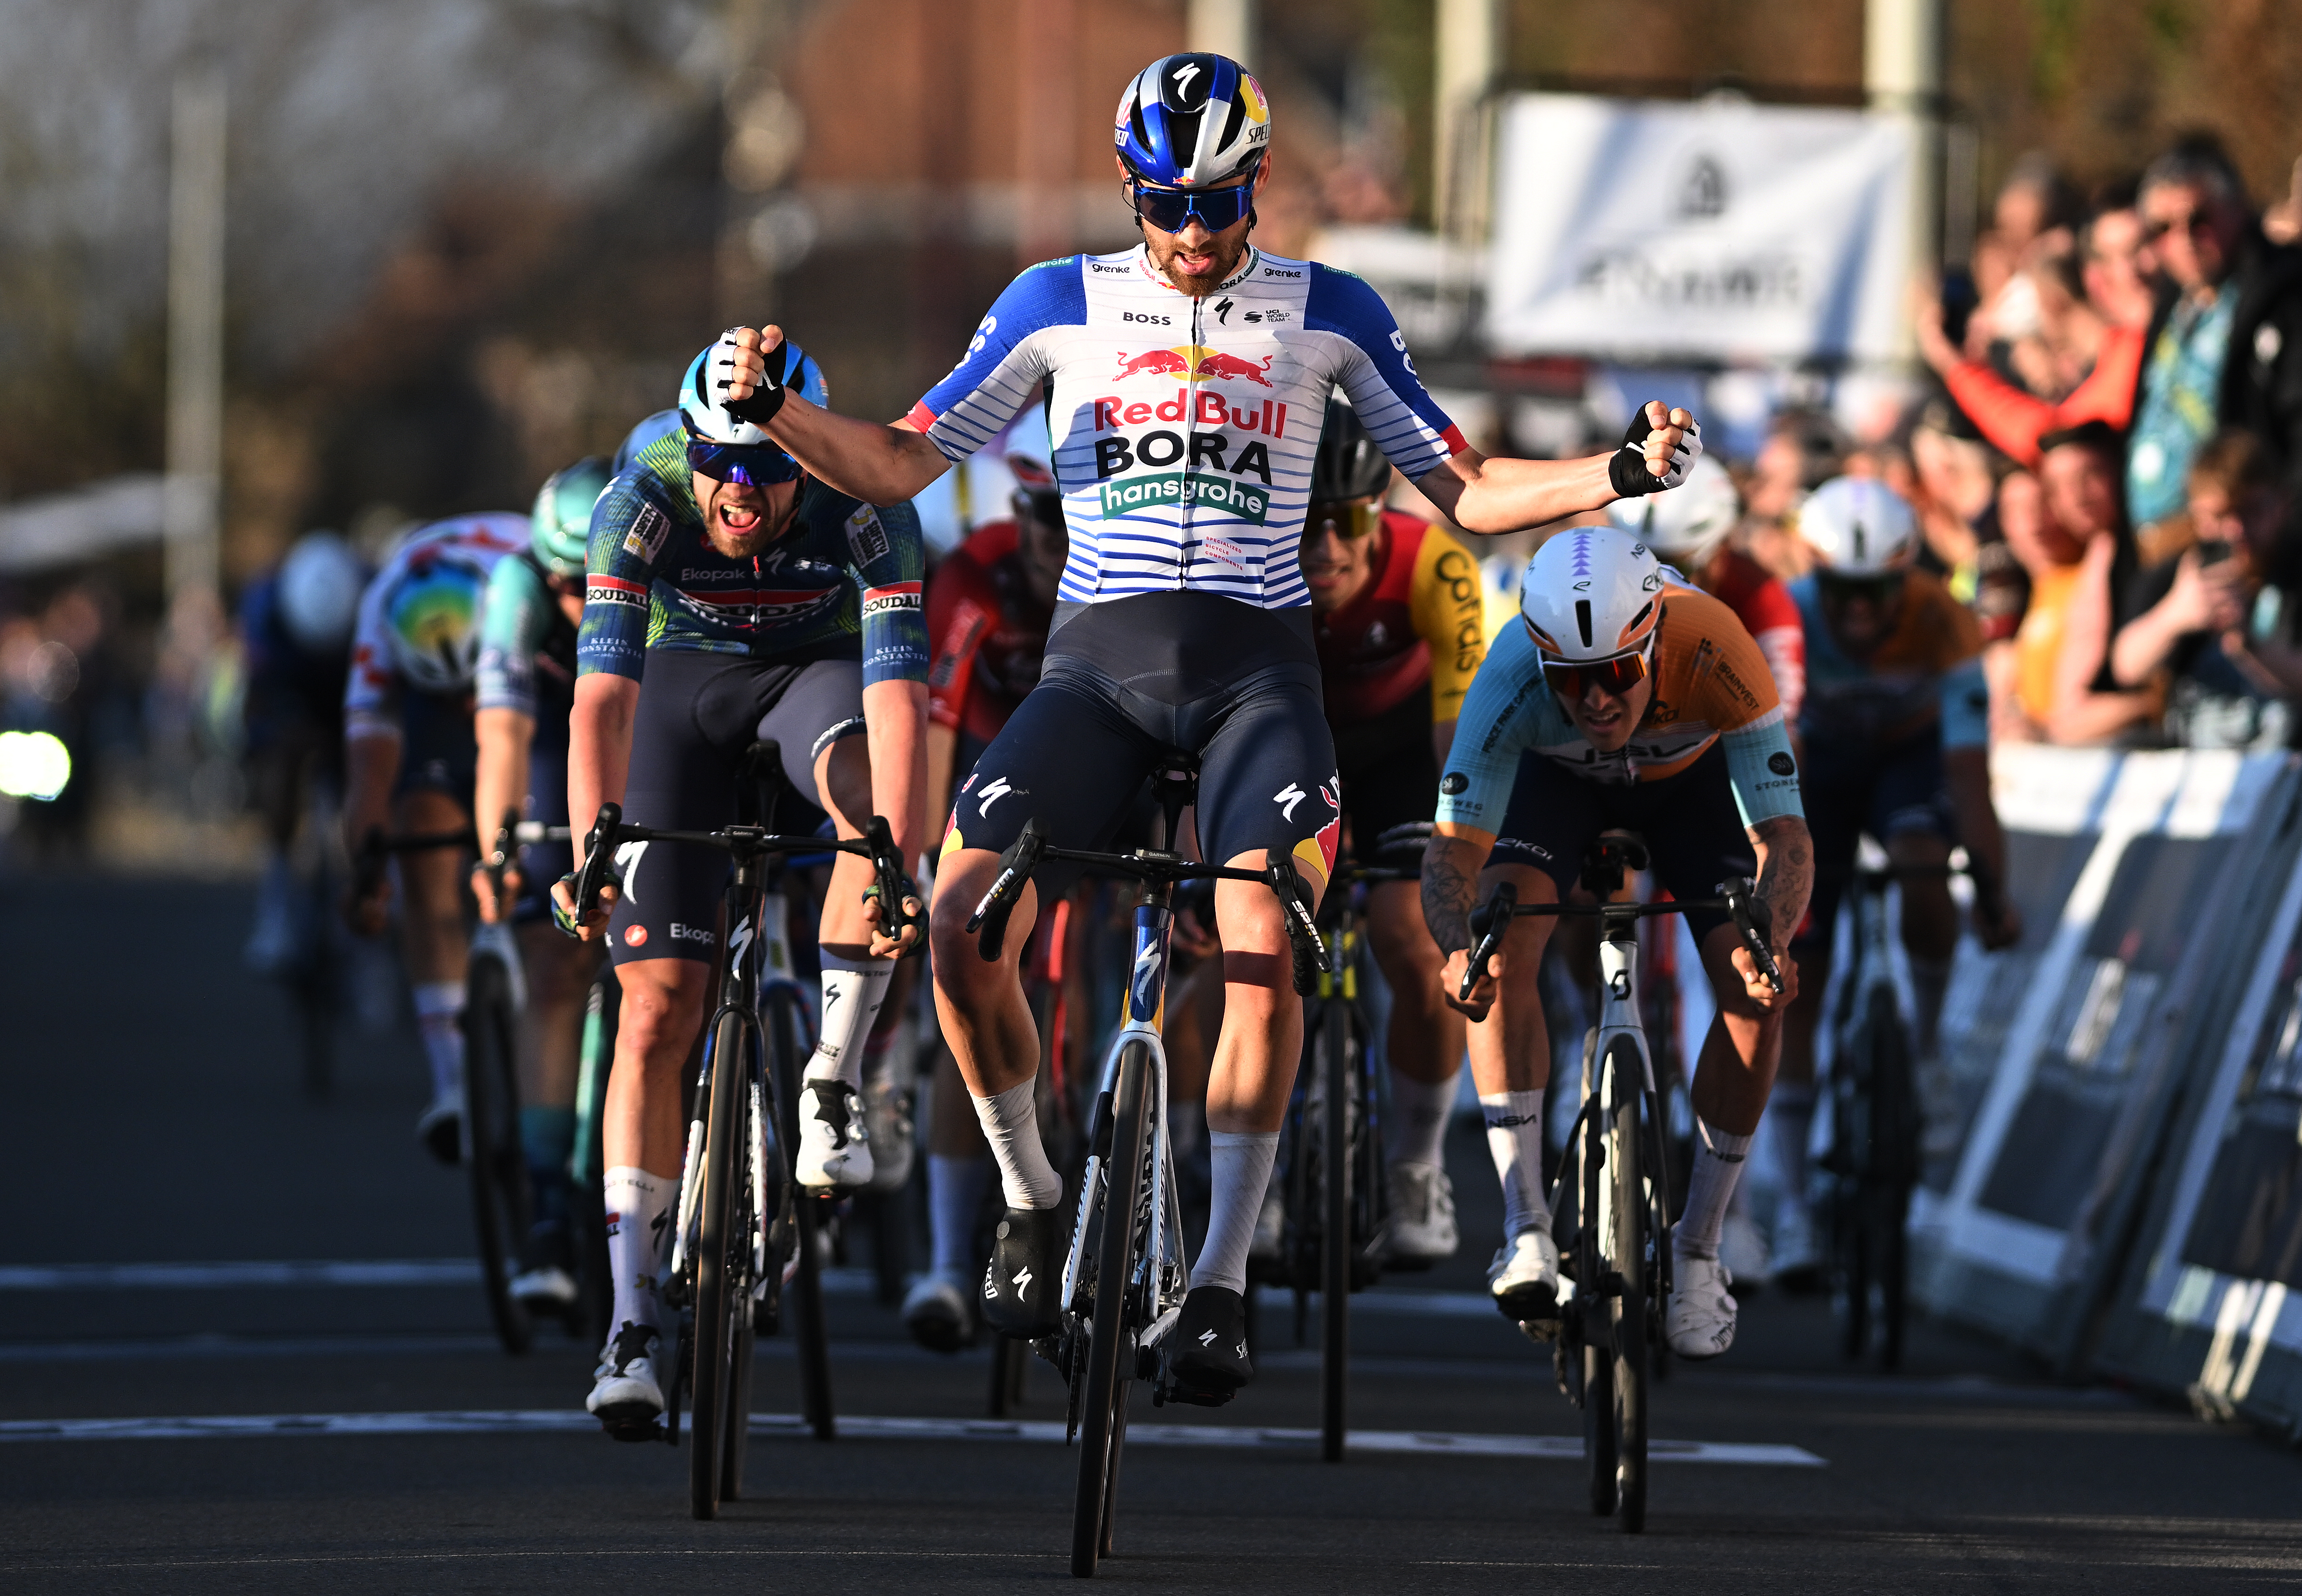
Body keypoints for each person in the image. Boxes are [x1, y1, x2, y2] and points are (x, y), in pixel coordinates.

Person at [721, 49, 1703, 1404]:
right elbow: (897, 461)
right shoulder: (1054, 301)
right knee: (956, 926)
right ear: (1129, 192)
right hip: (1092, 681)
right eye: (1163, 206)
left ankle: (1222, 1281)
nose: (1191, 236)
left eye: (1218, 205)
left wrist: (1613, 473)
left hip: (1259, 684)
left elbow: (1463, 491)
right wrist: (774, 413)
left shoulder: (1330, 311)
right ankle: (1024, 1194)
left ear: (1255, 192)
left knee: (1261, 946)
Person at [552, 344, 929, 1433]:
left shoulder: (864, 507)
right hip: (683, 692)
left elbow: (901, 706)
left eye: (767, 469)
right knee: (655, 1010)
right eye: (720, 462)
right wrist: (592, 848)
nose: (739, 491)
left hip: (816, 682)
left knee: (866, 798)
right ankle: (629, 1323)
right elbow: (600, 705)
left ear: (805, 460)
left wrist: (893, 849)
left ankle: (830, 1074)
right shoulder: (642, 503)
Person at [1422, 527, 1808, 1358]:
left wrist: (1769, 939)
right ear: (1541, 661)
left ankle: (1699, 1249)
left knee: (1753, 987)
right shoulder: (1509, 676)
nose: (1597, 701)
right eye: (1572, 681)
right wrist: (1458, 949)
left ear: (1652, 639)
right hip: (1555, 791)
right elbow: (1453, 849)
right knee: (1500, 946)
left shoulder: (1715, 643)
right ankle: (1524, 1226)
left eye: (1617, 675)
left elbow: (1784, 833)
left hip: (1690, 793)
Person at [1776, 478, 2022, 1268]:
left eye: (1875, 590)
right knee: (1794, 972)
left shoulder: (1944, 621)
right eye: (1841, 590)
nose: (1857, 611)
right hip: (1814, 766)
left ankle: (1921, 1050)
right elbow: (1775, 759)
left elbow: (1967, 772)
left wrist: (1989, 883)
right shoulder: (1787, 614)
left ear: (1906, 574)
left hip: (1906, 763)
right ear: (1817, 575)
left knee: (1924, 863)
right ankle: (1791, 1208)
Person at [904, 452, 1067, 1351]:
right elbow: (934, 719)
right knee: (957, 995)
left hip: (1088, 788)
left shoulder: (1123, 565)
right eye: (1045, 517)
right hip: (980, 770)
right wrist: (925, 854)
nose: (1061, 538)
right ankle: (940, 1257)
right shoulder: (976, 573)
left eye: (1077, 515)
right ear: (1019, 517)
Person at [466, 458, 612, 1310]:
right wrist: (497, 851)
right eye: (567, 584)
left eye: (593, 583)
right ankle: (549, 1202)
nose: (582, 602)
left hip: (633, 720)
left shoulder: (652, 570)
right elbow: (502, 737)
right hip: (551, 749)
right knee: (555, 969)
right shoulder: (516, 592)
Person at [341, 513, 531, 1162]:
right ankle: (453, 1079)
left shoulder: (528, 579)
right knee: (417, 837)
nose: (464, 706)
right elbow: (369, 768)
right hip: (433, 680)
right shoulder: (380, 618)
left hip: (531, 669)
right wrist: (367, 875)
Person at [2125, 137, 2302, 542]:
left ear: (2237, 210)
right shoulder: (2172, 306)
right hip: (2157, 548)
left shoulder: (2283, 299)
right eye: (2161, 228)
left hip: (2241, 545)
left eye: (2198, 219)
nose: (2183, 238)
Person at [2110, 430, 2302, 748]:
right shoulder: (2180, 573)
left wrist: (2248, 643)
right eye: (2219, 516)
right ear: (2196, 515)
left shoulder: (2293, 569)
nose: (2235, 530)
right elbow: (2126, 666)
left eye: (2250, 511)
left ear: (2281, 503)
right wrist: (2176, 615)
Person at [241, 531, 364, 973]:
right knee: (282, 762)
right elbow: (257, 697)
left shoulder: (370, 599)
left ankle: (370, 933)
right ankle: (275, 903)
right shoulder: (264, 607)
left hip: (348, 692)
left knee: (369, 785)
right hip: (291, 693)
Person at [1609, 454, 1804, 724]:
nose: (1658, 584)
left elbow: (1781, 725)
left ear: (1721, 549)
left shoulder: (1760, 593)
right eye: (1639, 564)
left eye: (1676, 568)